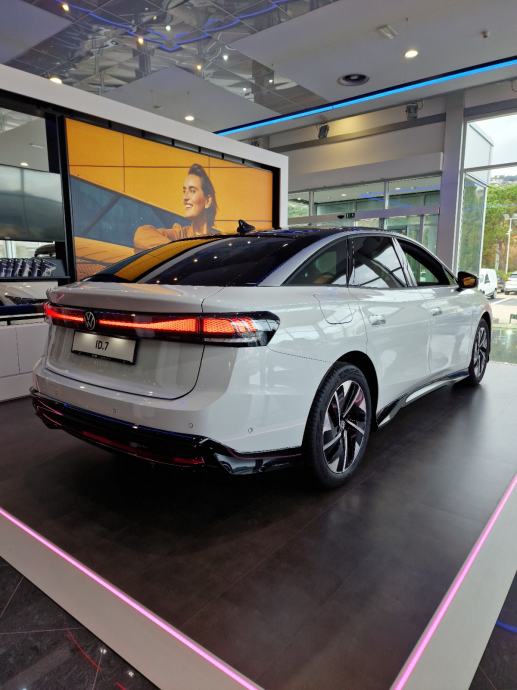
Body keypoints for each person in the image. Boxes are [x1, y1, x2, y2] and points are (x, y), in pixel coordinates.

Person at [133, 163, 219, 251]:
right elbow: (142, 235)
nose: (185, 197)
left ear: (207, 201)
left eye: (192, 191)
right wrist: (180, 251)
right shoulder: (179, 235)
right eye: (184, 191)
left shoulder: (219, 242)